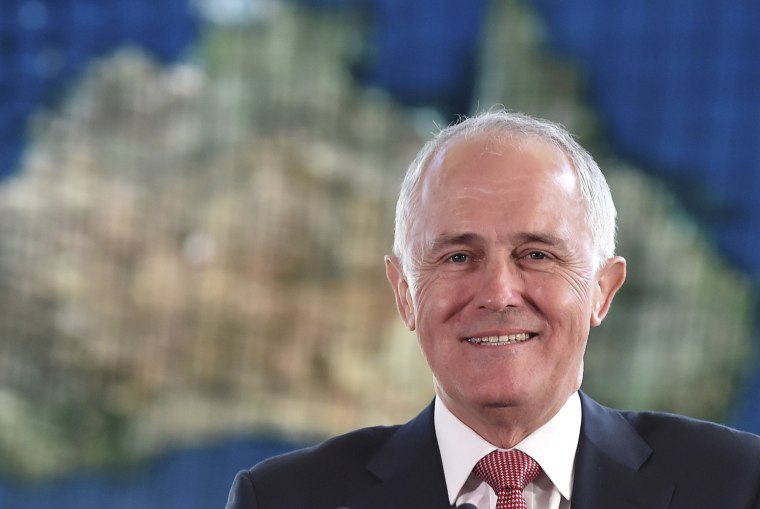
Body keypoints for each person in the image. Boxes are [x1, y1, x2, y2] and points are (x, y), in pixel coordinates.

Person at [226, 109, 760, 509]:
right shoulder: (280, 500)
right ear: (405, 292)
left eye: (537, 255)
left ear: (603, 288)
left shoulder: (738, 485)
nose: (499, 292)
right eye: (459, 256)